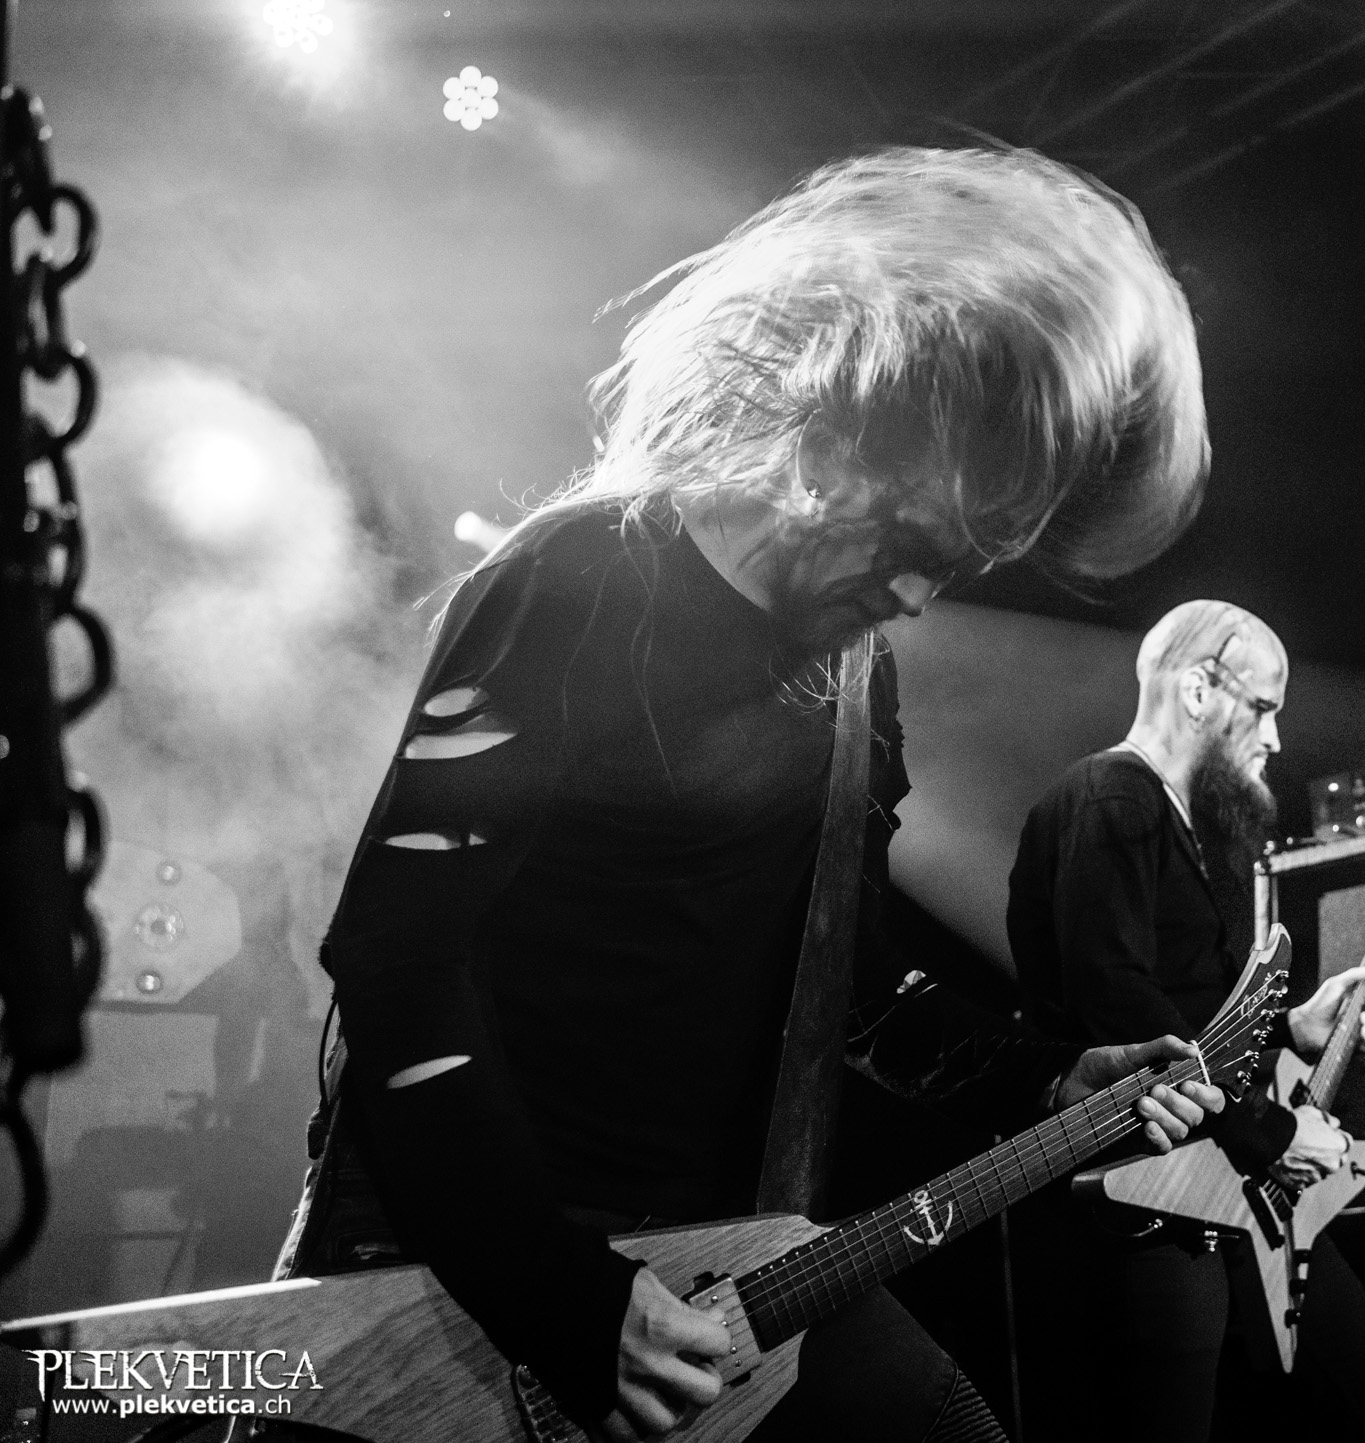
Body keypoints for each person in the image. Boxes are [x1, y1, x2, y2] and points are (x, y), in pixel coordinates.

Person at [296, 146, 1223, 1443]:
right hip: (476, 1260)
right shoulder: (579, 581)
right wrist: (558, 1291)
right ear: (840, 437)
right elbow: (399, 960)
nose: (917, 596)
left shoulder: (856, 679)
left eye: (960, 568)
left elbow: (850, 986)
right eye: (916, 545)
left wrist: (1049, 1076)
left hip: (730, 1261)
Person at [1006, 599, 1365, 1442]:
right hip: (1156, 1192)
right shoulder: (1110, 796)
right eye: (1265, 706)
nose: (1275, 737)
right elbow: (1118, 1004)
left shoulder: (1166, 815)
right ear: (1201, 689)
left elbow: (1182, 1009)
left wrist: (1290, 1027)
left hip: (1228, 1176)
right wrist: (1272, 1132)